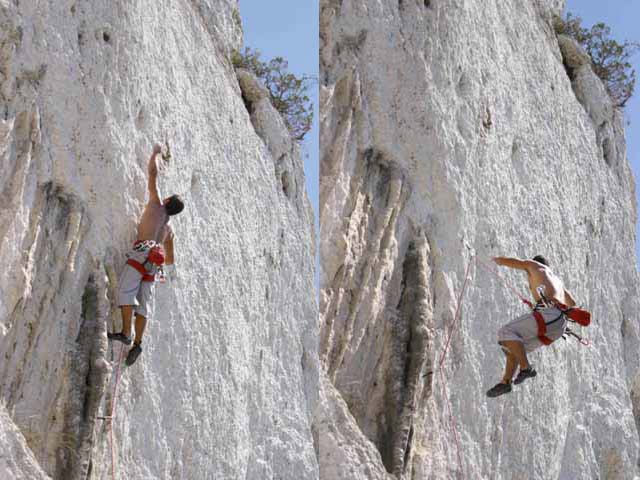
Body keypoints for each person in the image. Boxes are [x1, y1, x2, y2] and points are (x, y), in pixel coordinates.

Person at [108, 143, 184, 366]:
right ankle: (138, 343)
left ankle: (125, 333)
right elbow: (170, 260)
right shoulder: (169, 231)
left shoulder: (156, 205)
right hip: (154, 266)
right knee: (143, 305)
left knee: (126, 292)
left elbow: (152, 175)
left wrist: (155, 154)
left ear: (167, 201)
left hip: (141, 254)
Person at [486, 255, 576, 398]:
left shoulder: (535, 266)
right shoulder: (557, 282)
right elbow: (572, 303)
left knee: (505, 332)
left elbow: (517, 263)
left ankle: (526, 368)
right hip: (558, 325)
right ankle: (506, 382)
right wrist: (544, 306)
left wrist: (495, 260)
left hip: (551, 316)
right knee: (514, 347)